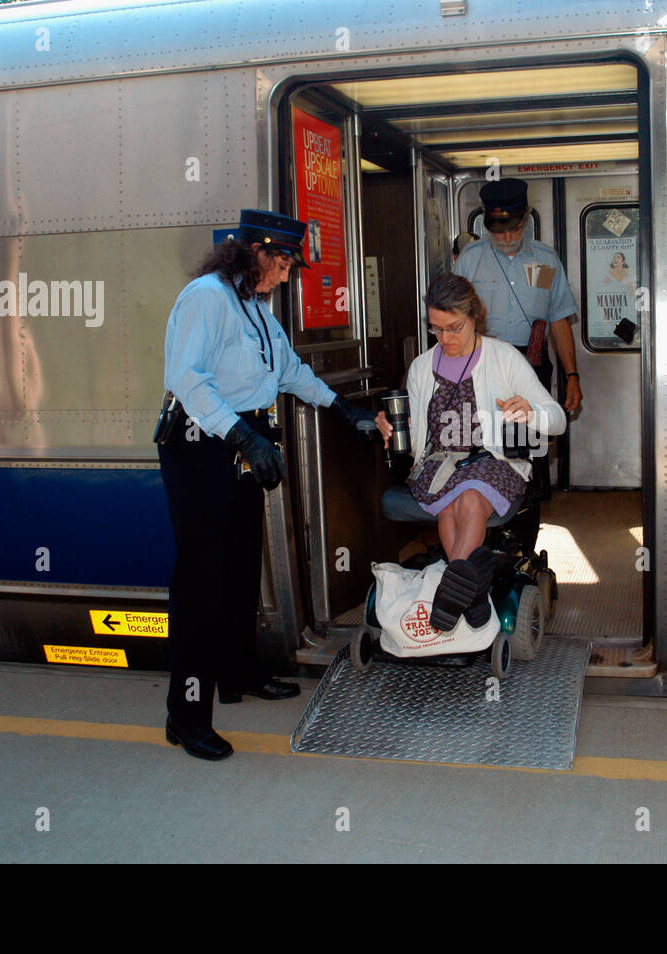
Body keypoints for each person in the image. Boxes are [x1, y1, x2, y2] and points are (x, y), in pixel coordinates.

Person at [158, 209, 385, 761]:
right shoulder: (206, 297)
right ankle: (185, 716)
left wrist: (345, 410)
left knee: (239, 568)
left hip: (240, 443)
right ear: (257, 252)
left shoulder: (256, 308)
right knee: (200, 581)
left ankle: (236, 675)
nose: (287, 275)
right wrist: (242, 435)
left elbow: (288, 372)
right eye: (283, 263)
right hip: (200, 446)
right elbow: (187, 378)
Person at [375, 273, 565, 633]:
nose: (445, 339)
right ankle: (470, 595)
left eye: (454, 328)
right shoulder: (420, 367)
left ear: (474, 316)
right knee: (454, 497)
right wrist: (390, 428)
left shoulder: (504, 358)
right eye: (436, 329)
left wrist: (531, 412)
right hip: (439, 465)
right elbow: (415, 443)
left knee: (471, 495)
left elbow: (557, 420)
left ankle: (451, 595)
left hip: (492, 463)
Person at [454, 178, 582, 413]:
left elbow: (557, 319)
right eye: (498, 230)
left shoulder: (544, 261)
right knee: (487, 439)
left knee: (530, 439)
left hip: (532, 364)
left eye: (513, 228)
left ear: (525, 218)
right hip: (482, 365)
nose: (507, 238)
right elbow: (452, 322)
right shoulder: (471, 261)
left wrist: (572, 376)